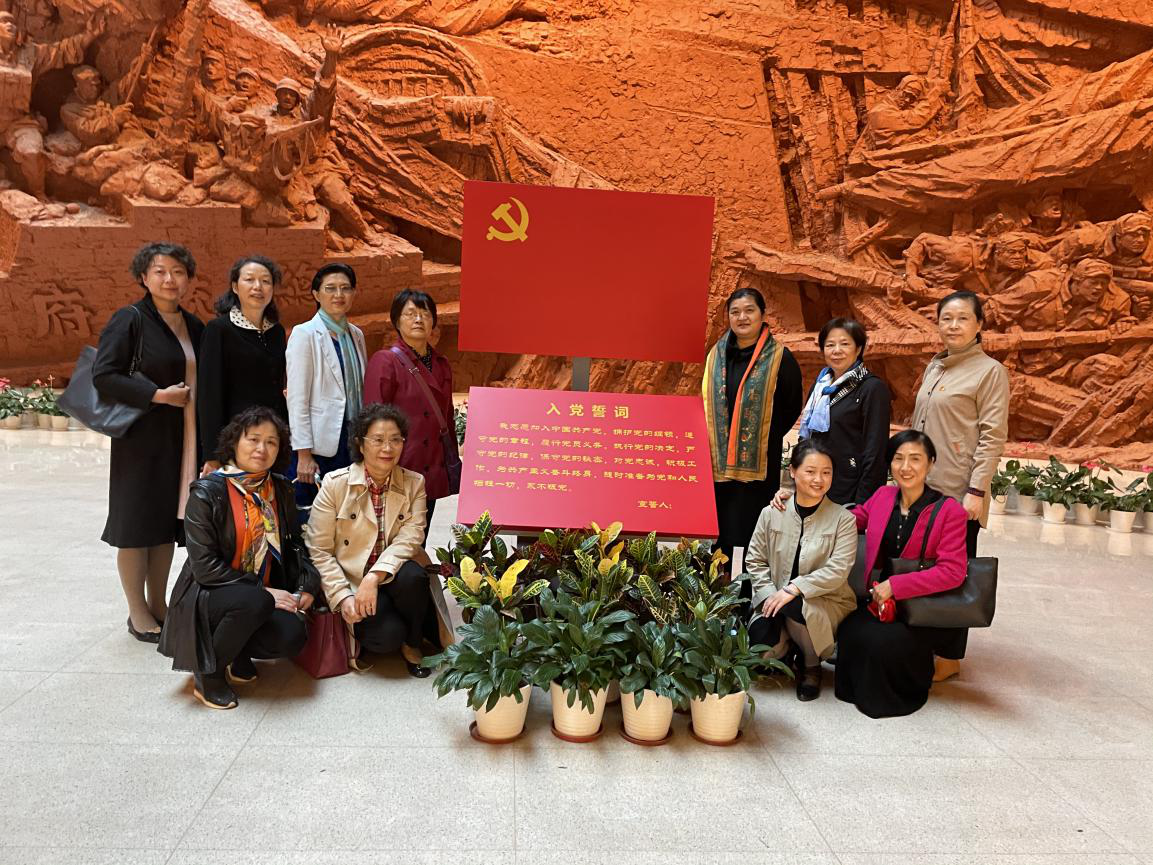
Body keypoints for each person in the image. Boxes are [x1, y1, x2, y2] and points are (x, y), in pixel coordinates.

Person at [159, 406, 320, 710]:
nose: (262, 448)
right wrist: (265, 591)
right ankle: (209, 676)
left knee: (292, 634)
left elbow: (296, 545)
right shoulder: (207, 492)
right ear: (235, 442)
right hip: (209, 594)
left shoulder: (279, 488)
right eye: (253, 439)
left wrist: (306, 586)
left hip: (255, 597)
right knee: (254, 601)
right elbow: (205, 568)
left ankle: (237, 652)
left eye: (271, 442)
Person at [93, 242, 204, 642]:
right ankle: (137, 611)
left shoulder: (195, 325)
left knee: (165, 524)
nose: (169, 279)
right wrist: (157, 395)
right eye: (159, 271)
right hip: (142, 441)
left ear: (188, 279)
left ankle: (159, 603)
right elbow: (104, 375)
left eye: (178, 271)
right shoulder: (131, 319)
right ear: (143, 277)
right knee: (136, 525)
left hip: (183, 439)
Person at [306, 404, 454, 676]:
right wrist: (342, 596)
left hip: (392, 573)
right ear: (360, 444)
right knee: (386, 637)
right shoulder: (335, 484)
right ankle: (401, 627)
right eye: (378, 440)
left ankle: (412, 642)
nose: (388, 448)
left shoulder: (414, 483)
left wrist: (374, 577)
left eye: (396, 439)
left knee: (414, 577)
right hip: (353, 578)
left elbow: (411, 538)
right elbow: (319, 550)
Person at [834, 430, 969, 718]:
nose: (906, 467)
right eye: (898, 459)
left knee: (886, 643)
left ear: (930, 463)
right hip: (882, 603)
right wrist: (805, 502)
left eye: (915, 459)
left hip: (921, 606)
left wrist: (895, 585)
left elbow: (953, 572)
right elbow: (852, 519)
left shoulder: (950, 511)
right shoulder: (883, 496)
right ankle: (858, 691)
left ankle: (895, 694)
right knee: (851, 630)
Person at [911, 290, 1008, 680]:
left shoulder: (989, 372)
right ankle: (922, 643)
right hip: (923, 486)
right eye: (946, 318)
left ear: (979, 324)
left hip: (958, 490)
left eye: (963, 318)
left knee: (954, 570)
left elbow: (992, 436)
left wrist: (976, 491)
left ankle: (949, 656)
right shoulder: (936, 367)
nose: (953, 325)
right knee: (922, 566)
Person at [746, 440, 857, 701]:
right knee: (762, 653)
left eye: (826, 472)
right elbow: (755, 560)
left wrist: (794, 589)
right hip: (775, 597)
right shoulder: (771, 513)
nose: (819, 479)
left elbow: (837, 570)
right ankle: (787, 645)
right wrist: (770, 595)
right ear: (793, 471)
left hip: (823, 601)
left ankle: (811, 665)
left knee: (797, 607)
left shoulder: (843, 520)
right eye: (810, 471)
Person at [703, 286, 803, 565]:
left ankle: (748, 588)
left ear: (762, 314)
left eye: (749, 310)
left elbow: (791, 404)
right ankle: (717, 585)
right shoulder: (716, 356)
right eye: (735, 312)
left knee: (751, 538)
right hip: (718, 469)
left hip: (758, 468)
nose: (742, 317)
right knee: (719, 536)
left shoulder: (780, 358)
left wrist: (763, 437)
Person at [363, 289, 457, 536]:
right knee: (392, 539)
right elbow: (372, 420)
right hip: (399, 465)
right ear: (397, 320)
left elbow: (447, 415)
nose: (418, 319)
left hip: (431, 465)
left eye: (425, 314)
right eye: (410, 314)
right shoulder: (385, 361)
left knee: (419, 537)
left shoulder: (441, 364)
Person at [286, 263, 367, 517]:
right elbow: (297, 399)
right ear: (316, 294)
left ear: (354, 293)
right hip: (319, 447)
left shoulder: (356, 335)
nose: (338, 295)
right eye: (330, 288)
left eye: (345, 288)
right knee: (316, 520)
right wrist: (303, 454)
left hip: (352, 440)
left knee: (348, 515)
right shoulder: (305, 334)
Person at [197, 255, 289, 476]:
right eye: (249, 279)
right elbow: (209, 395)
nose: (258, 287)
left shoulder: (276, 332)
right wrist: (211, 454)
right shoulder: (219, 330)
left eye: (265, 281)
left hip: (270, 438)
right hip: (236, 440)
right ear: (235, 287)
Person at [797, 318, 891, 506]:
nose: (836, 350)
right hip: (815, 484)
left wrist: (863, 505)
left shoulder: (872, 388)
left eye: (845, 344)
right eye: (830, 345)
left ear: (858, 349)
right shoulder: (821, 386)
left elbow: (876, 452)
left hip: (849, 491)